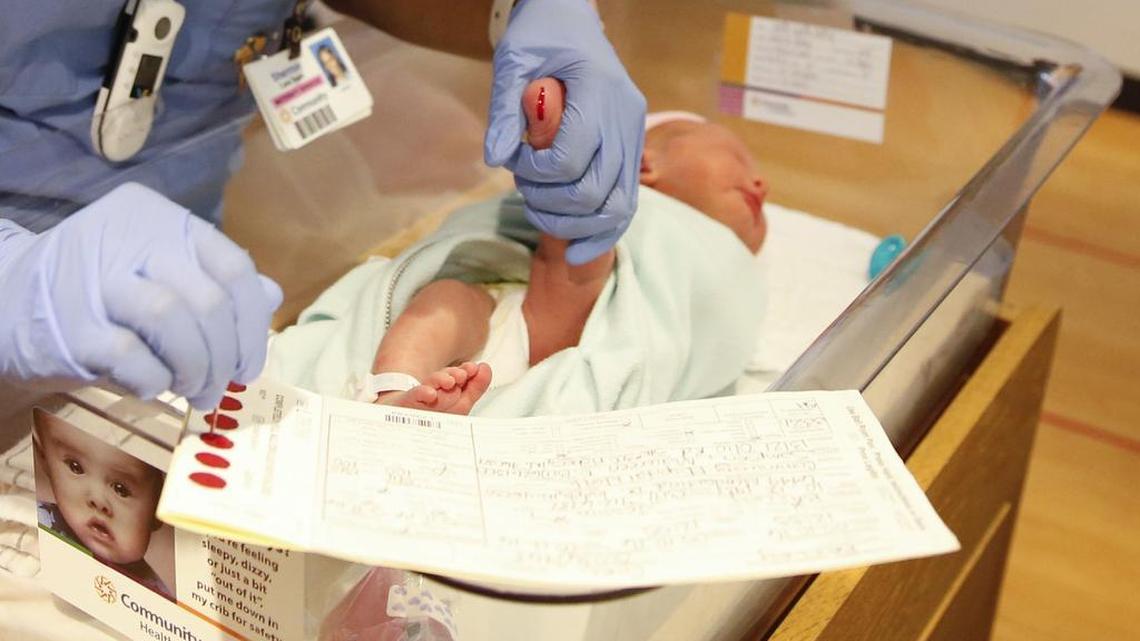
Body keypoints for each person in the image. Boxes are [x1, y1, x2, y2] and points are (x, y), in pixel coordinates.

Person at [0, 0, 646, 414]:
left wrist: (522, 11)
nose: (753, 188)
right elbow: (446, 312)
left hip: (179, 321)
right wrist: (15, 285)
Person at [366, 78, 768, 414]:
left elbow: (717, 341)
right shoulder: (653, 210)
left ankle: (578, 205)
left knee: (464, 300)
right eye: (736, 157)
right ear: (644, 164)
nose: (761, 184)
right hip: (513, 309)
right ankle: (396, 390)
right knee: (449, 297)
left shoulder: (721, 260)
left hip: (562, 342)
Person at [32, 409, 174, 601]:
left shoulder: (157, 598)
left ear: (159, 508)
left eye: (120, 489)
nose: (98, 501)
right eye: (76, 467)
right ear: (44, 459)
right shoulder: (33, 531)